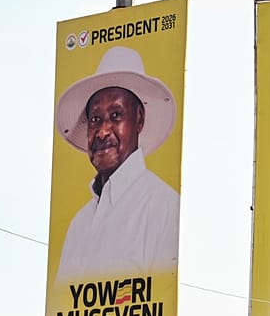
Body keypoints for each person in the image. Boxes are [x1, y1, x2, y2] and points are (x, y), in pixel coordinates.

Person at [54, 45, 179, 283]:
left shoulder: (164, 207)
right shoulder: (79, 224)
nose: (102, 132)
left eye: (116, 116)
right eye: (95, 119)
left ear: (139, 119)